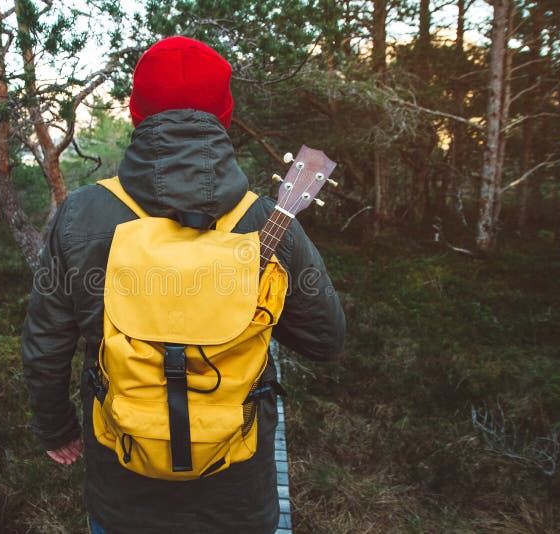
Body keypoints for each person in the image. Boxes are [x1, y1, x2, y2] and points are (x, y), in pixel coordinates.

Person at [21, 36, 346, 534]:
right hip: (237, 495)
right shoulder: (266, 218)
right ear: (226, 114)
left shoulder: (80, 216)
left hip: (123, 489)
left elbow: (46, 345)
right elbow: (326, 339)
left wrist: (56, 427)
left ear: (135, 112)